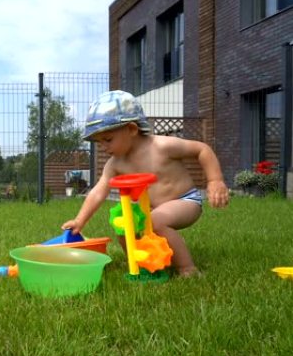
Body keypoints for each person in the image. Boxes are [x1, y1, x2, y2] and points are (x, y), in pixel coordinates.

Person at [60, 90, 229, 277]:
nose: (104, 146)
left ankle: (187, 268)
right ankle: (138, 262)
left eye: (108, 139)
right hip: (153, 209)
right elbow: (99, 191)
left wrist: (215, 180)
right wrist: (79, 220)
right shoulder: (115, 163)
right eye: (100, 143)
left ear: (132, 129)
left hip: (185, 201)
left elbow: (202, 150)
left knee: (155, 221)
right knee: (124, 223)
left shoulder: (162, 146)